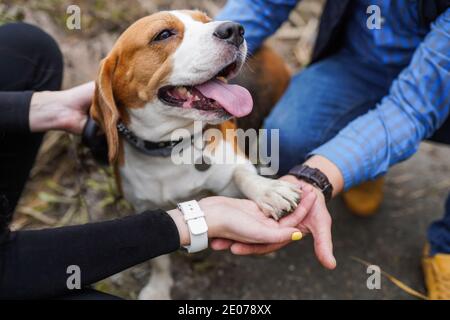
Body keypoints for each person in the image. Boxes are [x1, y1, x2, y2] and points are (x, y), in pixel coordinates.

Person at [0, 22, 317, 300]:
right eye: (165, 35)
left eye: (202, 24)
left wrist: (255, 184)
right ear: (116, 82)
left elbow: (237, 169)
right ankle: (161, 275)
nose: (227, 29)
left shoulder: (215, 122)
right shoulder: (119, 141)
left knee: (30, 45)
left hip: (212, 137)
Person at [215, 0, 450, 299]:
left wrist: (316, 177)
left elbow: (411, 109)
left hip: (440, 88)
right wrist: (204, 51)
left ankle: (446, 246)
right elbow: (264, 4)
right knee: (284, 138)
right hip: (359, 66)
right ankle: (362, 165)